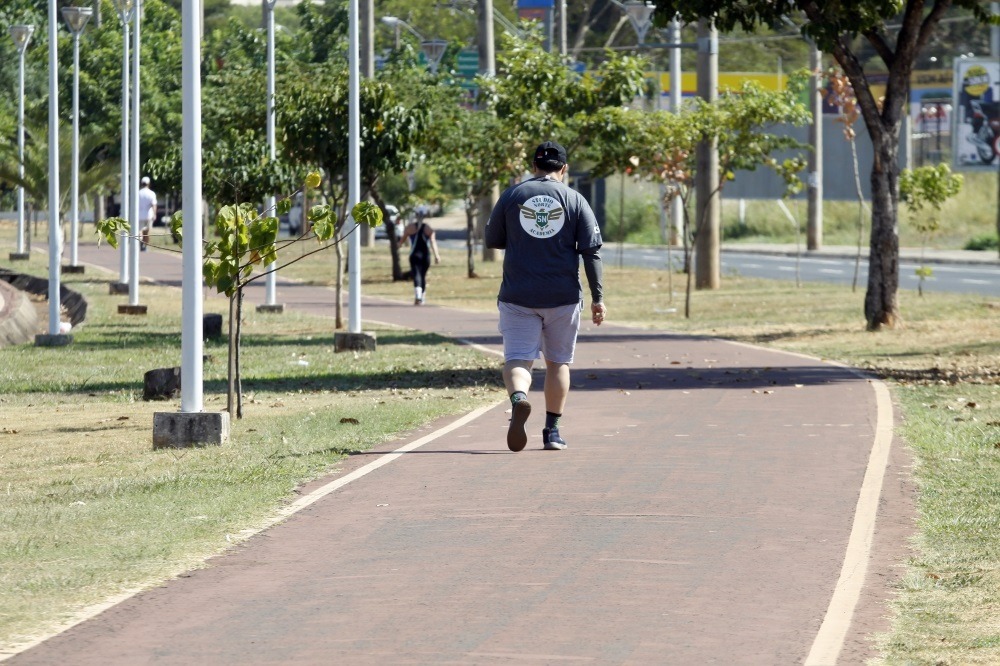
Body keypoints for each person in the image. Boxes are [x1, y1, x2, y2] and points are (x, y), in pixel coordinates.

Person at [485, 140, 606, 452]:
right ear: (563, 169)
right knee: (558, 363)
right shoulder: (574, 199)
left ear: (533, 166)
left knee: (518, 359)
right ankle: (552, 432)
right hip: (562, 297)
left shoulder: (513, 195)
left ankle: (519, 398)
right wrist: (598, 297)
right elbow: (591, 253)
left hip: (517, 295)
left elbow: (492, 240)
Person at [398, 209, 441, 305]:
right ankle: (422, 297)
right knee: (422, 275)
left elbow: (402, 240)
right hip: (426, 256)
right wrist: (436, 255)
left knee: (416, 274)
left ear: (416, 216)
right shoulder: (429, 229)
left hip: (414, 255)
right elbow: (433, 242)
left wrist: (398, 245)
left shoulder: (410, 228)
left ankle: (418, 296)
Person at [137, 176, 157, 251]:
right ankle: (145, 246)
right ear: (149, 184)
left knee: (139, 231)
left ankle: (141, 244)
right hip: (149, 215)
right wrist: (155, 214)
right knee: (147, 231)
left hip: (139, 215)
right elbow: (154, 205)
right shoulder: (151, 193)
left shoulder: (138, 193)